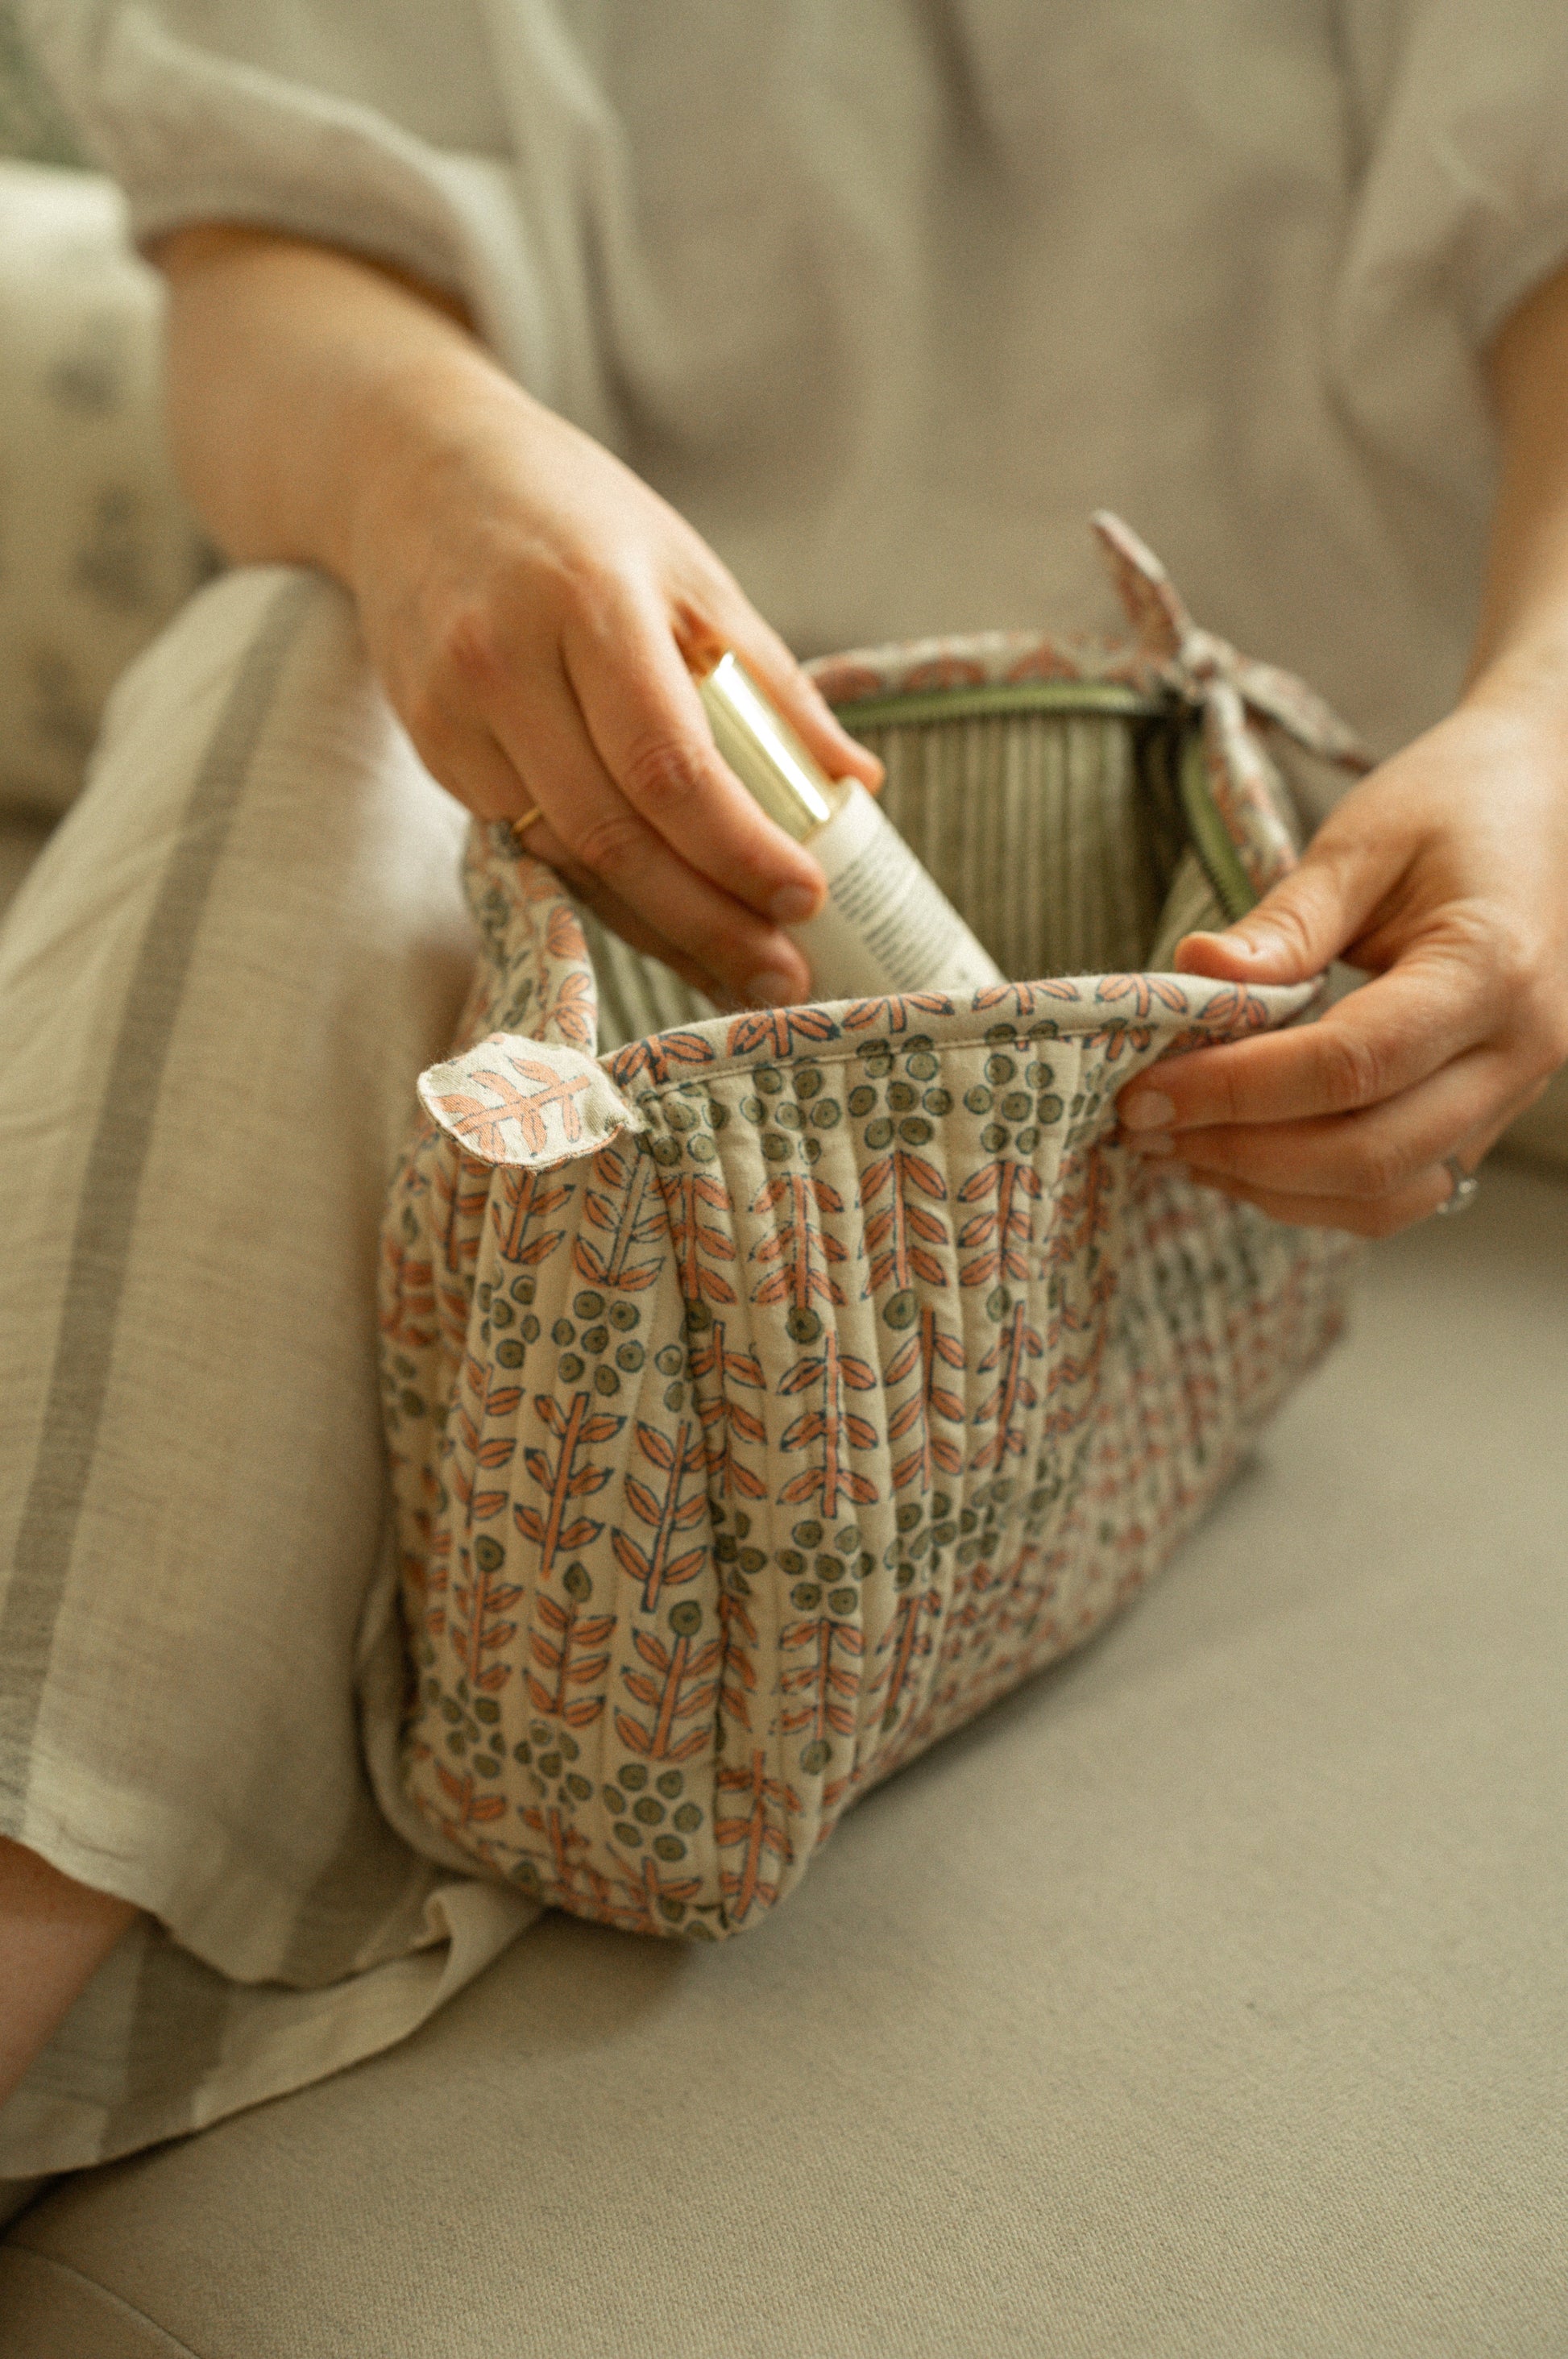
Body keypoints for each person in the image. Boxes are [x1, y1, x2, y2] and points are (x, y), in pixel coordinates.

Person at [3, 0, 1566, 2199]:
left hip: (1310, 869)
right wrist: (422, 463)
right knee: (299, 654)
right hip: (555, 783)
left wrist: (1552, 739)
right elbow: (276, 234)